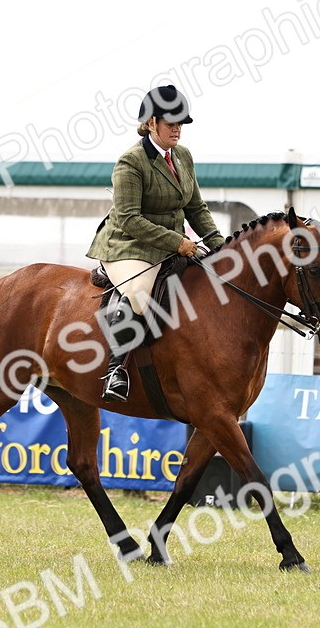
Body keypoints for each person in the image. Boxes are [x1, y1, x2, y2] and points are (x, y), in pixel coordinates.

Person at [86, 84, 224, 402]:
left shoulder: (183, 157)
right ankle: (115, 371)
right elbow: (129, 219)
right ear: (151, 123)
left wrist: (220, 244)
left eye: (180, 123)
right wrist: (177, 241)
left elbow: (196, 208)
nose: (177, 129)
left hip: (169, 245)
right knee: (137, 294)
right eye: (170, 123)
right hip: (127, 245)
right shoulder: (131, 163)